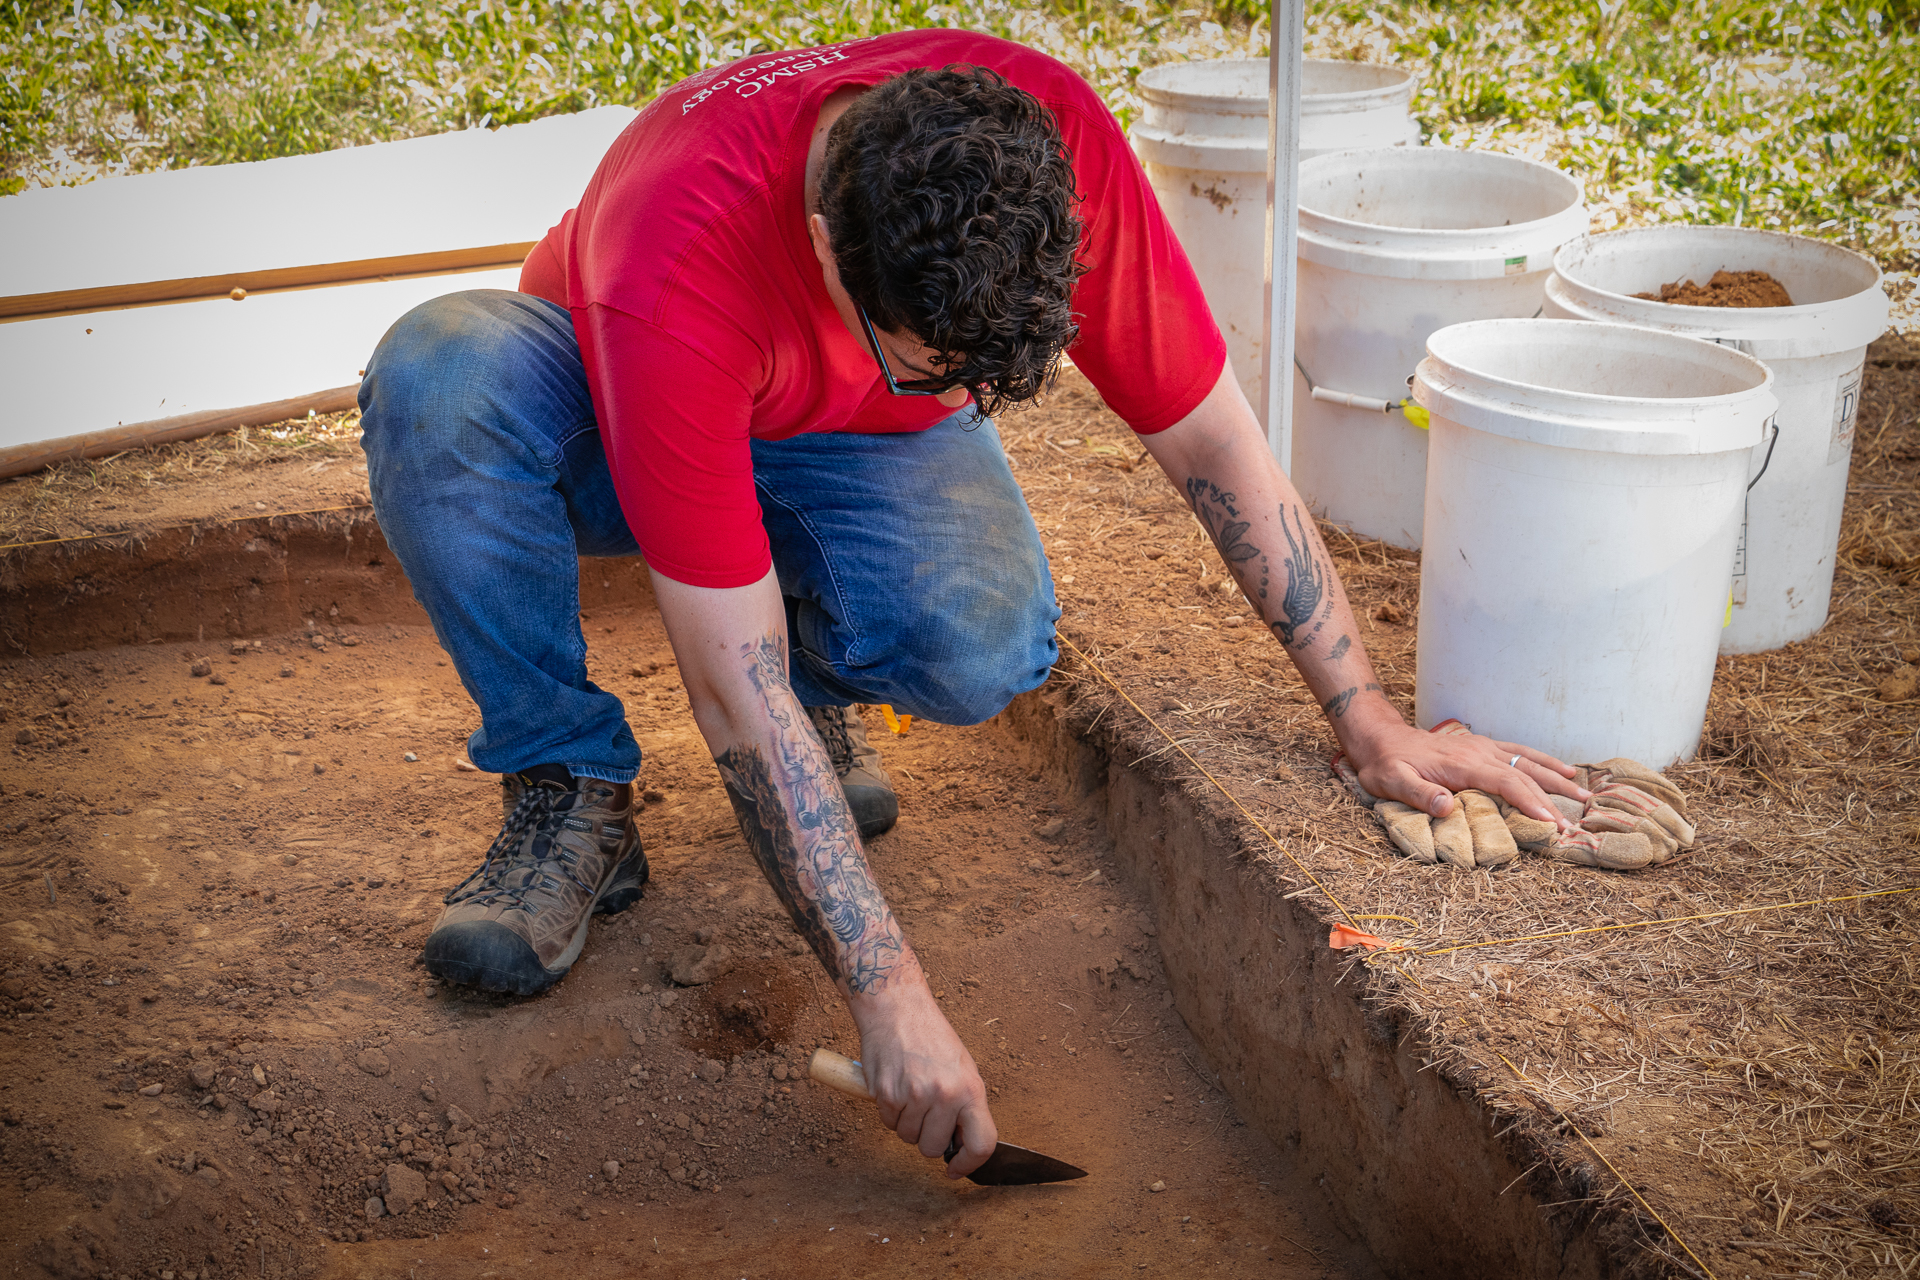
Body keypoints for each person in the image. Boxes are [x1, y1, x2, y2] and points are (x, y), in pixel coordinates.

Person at [357, 28, 1587, 1180]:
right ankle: (565, 779)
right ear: (835, 252)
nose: (974, 394)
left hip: (841, 428)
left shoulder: (1046, 148)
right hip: (617, 403)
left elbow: (1214, 438)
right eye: (946, 372)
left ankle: (827, 675)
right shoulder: (680, 257)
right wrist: (891, 995)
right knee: (440, 372)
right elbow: (731, 685)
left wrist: (1364, 710)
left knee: (986, 639)